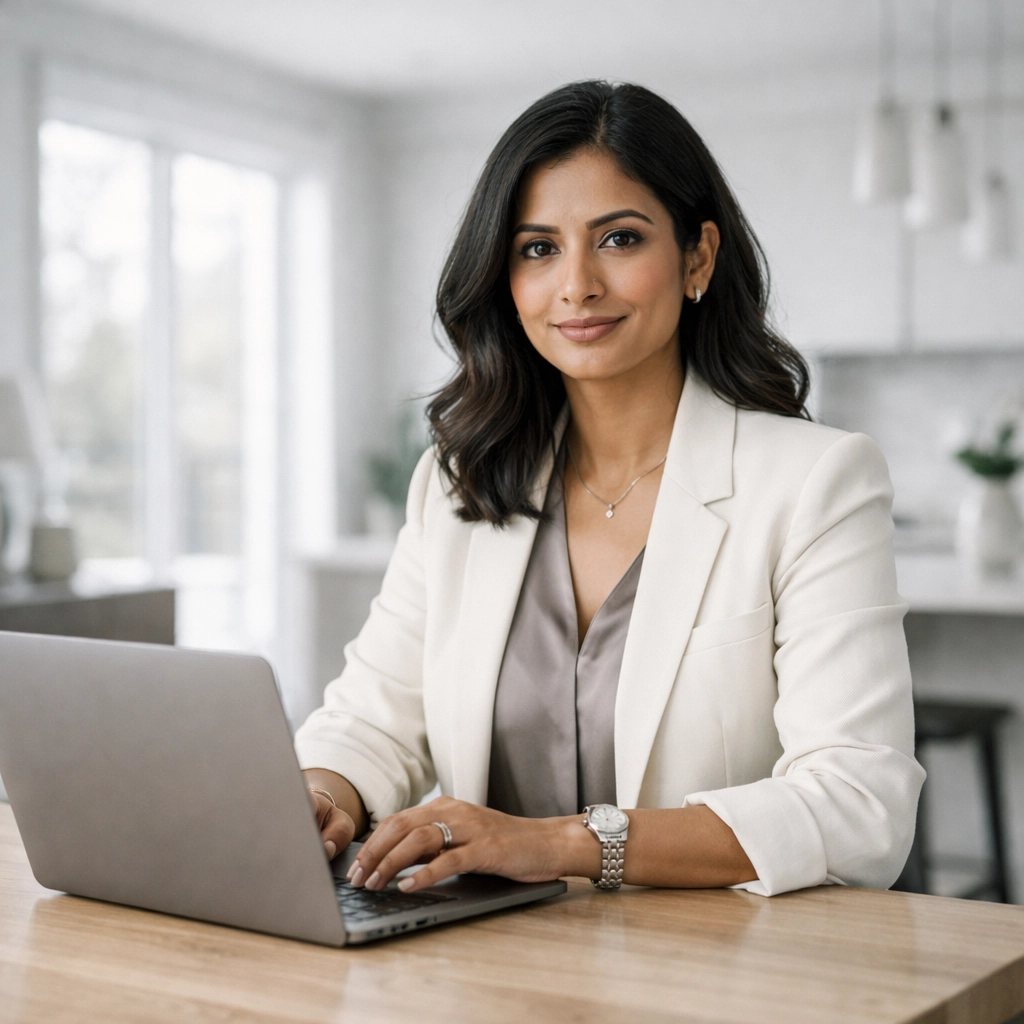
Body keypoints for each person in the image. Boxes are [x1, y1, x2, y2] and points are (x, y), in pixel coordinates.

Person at [296, 80, 924, 898]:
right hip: (486, 974)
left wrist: (561, 844)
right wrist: (321, 794)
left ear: (698, 255)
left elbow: (859, 804)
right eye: (537, 248)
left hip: (725, 975)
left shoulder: (815, 482)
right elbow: (372, 718)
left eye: (619, 239)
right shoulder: (459, 485)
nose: (577, 285)